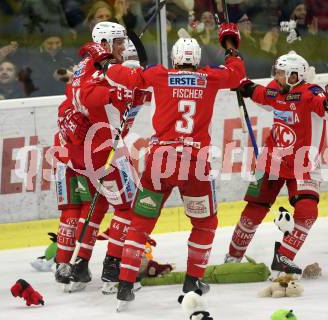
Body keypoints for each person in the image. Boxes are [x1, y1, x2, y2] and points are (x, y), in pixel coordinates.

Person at [104, 23, 246, 308]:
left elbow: (118, 74)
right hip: (194, 162)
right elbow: (237, 75)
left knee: (141, 221)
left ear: (174, 58)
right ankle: (193, 281)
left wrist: (107, 59)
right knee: (204, 223)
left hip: (160, 160)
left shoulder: (159, 74)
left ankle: (126, 282)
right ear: (198, 60)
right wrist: (230, 46)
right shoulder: (209, 77)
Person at [224, 51, 328, 277]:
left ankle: (284, 257)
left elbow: (327, 111)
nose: (276, 76)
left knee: (307, 211)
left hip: (303, 165)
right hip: (270, 160)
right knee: (253, 209)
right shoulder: (275, 89)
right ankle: (233, 256)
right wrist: (245, 86)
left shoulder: (311, 93)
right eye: (276, 72)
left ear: (294, 75)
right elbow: (260, 93)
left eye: (281, 73)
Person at [55, 22, 151, 293]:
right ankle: (112, 270)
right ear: (106, 43)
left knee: (97, 207)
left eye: (124, 43)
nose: (122, 47)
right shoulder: (99, 72)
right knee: (128, 209)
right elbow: (88, 95)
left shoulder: (91, 67)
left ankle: (80, 265)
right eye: (118, 42)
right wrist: (115, 89)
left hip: (91, 153)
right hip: (105, 152)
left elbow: (79, 93)